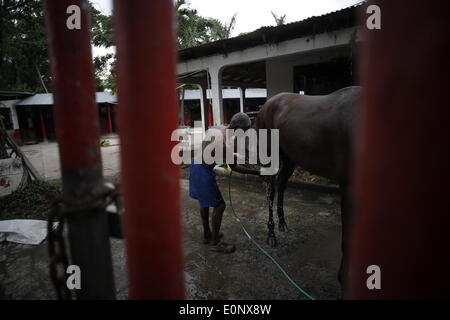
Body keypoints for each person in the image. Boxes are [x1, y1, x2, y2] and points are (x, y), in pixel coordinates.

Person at [189, 112, 259, 253]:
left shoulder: (218, 128)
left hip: (194, 164)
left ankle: (207, 234)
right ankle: (216, 243)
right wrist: (258, 172)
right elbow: (234, 167)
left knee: (204, 202)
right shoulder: (226, 144)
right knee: (219, 205)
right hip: (203, 170)